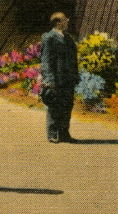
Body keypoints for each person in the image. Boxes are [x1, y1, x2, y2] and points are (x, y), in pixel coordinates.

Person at [40, 11, 79, 143]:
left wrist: (75, 76)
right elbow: (46, 61)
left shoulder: (68, 38)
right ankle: (52, 132)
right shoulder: (49, 38)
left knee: (67, 105)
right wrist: (49, 80)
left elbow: (73, 59)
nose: (67, 21)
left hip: (68, 79)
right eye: (64, 20)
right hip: (56, 79)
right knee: (54, 106)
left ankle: (64, 132)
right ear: (58, 22)